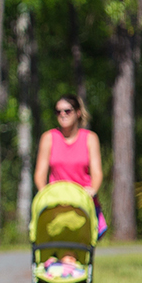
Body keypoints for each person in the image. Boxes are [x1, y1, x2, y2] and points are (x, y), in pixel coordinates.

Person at [33, 92, 105, 238]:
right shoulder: (49, 138)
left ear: (78, 113)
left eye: (67, 111)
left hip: (82, 201)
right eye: (58, 112)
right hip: (57, 202)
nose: (63, 115)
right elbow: (40, 174)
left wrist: (92, 190)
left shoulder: (90, 139)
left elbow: (97, 173)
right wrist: (46, 195)